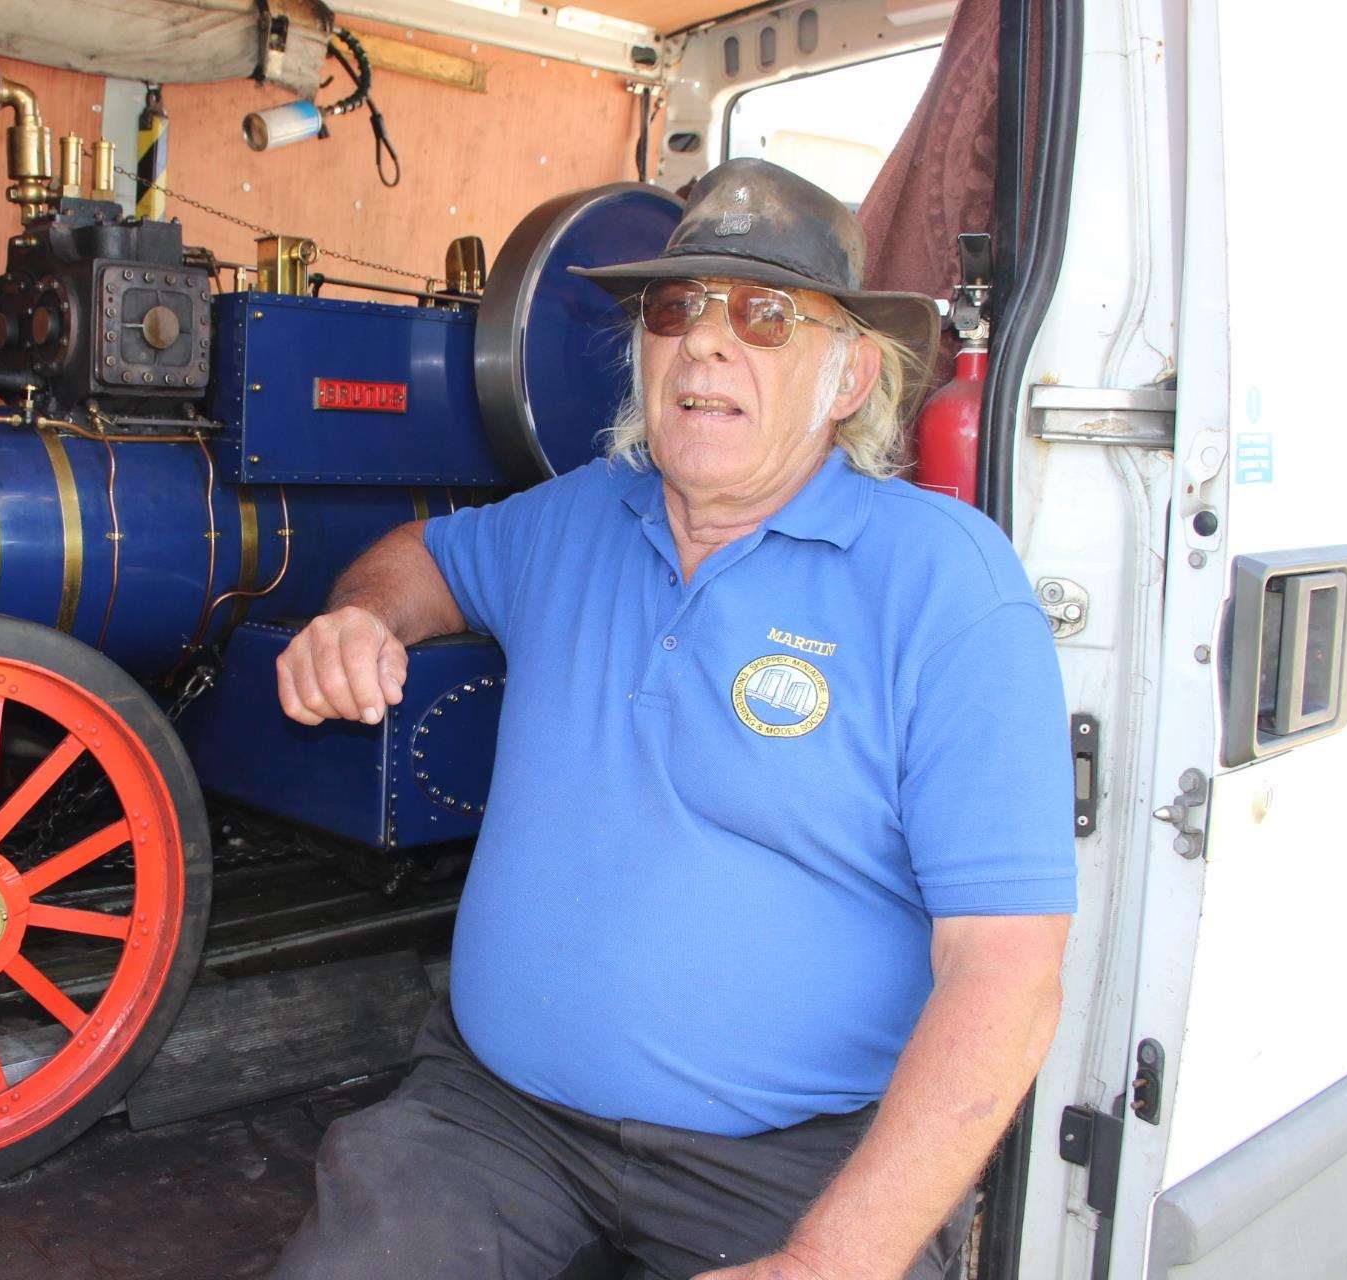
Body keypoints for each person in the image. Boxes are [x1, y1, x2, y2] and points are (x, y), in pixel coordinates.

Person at [268, 158, 1075, 1280]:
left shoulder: (946, 584)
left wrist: (828, 1263)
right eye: (674, 307)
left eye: (763, 314)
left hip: (790, 1161)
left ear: (847, 375)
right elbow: (424, 559)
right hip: (496, 1115)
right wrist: (363, 618)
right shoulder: (576, 517)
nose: (705, 342)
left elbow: (1008, 967)